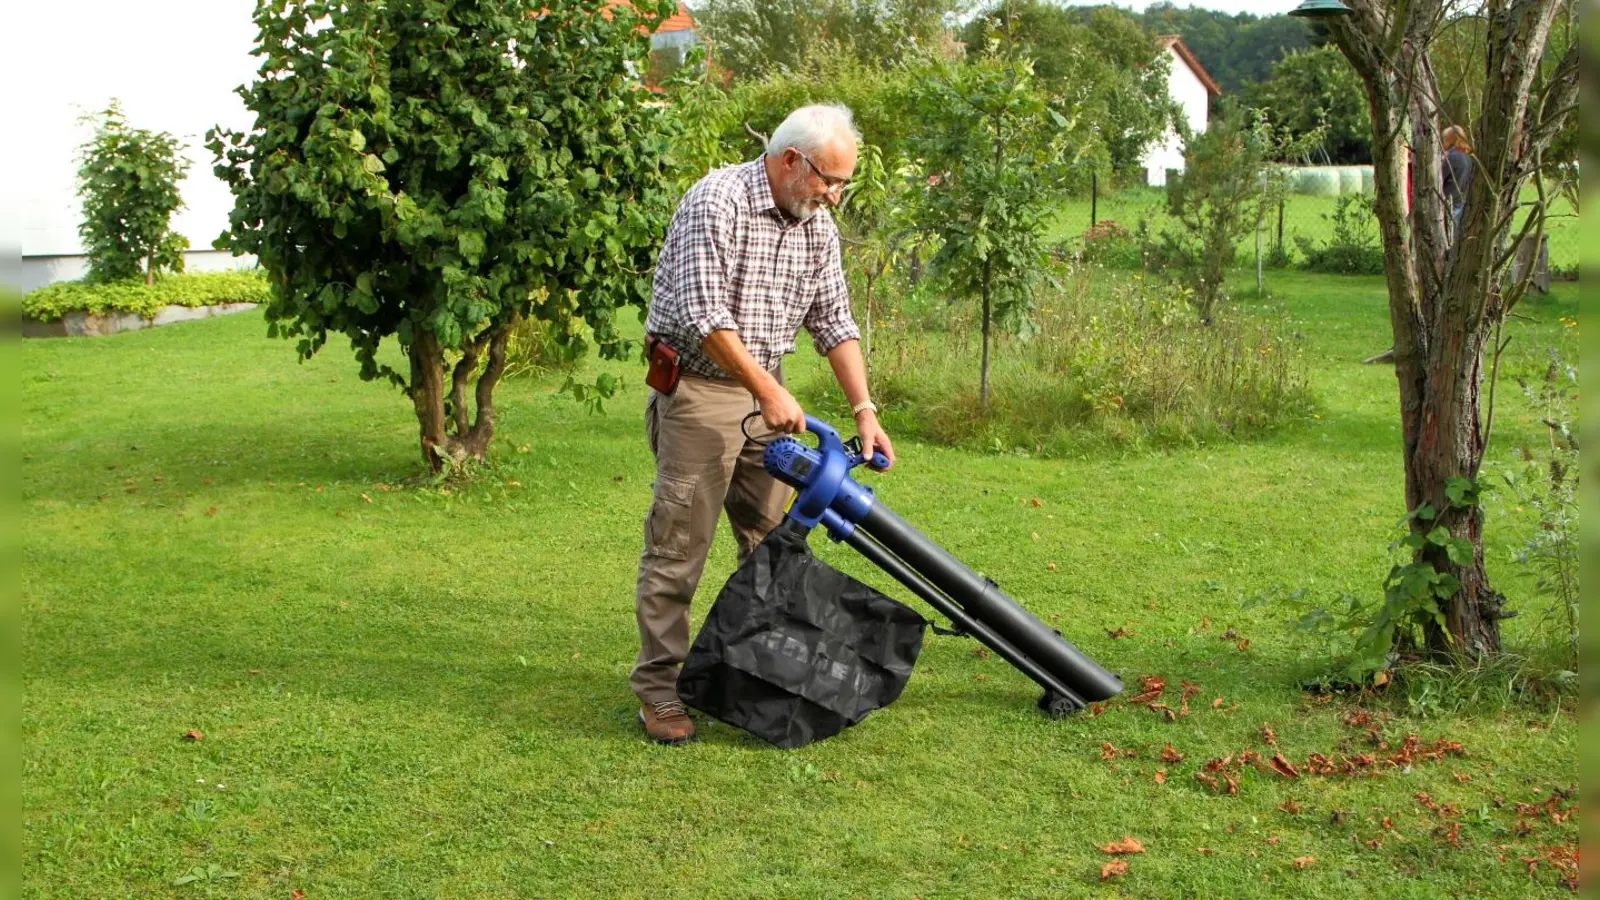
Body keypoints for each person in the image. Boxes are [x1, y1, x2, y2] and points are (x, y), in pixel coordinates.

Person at [631, 104, 895, 744]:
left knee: (774, 540)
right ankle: (660, 692)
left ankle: (766, 674)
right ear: (788, 161)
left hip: (766, 395)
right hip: (698, 391)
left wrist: (865, 410)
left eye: (842, 184)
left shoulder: (816, 228)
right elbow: (704, 314)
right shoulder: (715, 201)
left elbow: (835, 322)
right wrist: (766, 389)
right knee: (678, 546)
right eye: (828, 180)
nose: (834, 197)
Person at [1442, 125, 1474, 242]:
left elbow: (1439, 177)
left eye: (1445, 139)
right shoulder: (1468, 157)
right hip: (1460, 202)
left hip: (1447, 203)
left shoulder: (1451, 157)